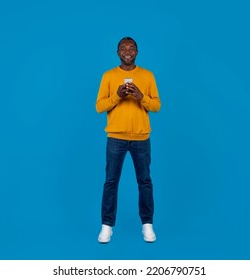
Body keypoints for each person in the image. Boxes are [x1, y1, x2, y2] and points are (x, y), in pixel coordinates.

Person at [95, 37, 161, 243]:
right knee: (111, 182)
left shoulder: (147, 75)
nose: (127, 51)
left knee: (144, 182)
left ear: (137, 52)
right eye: (123, 48)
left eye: (131, 48)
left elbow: (157, 106)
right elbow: (99, 107)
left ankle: (147, 225)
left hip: (141, 138)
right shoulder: (108, 76)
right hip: (116, 138)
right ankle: (106, 226)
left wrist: (141, 96)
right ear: (117, 53)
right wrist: (117, 97)